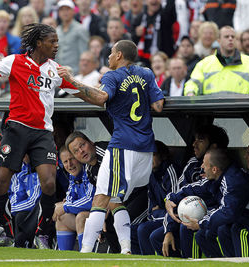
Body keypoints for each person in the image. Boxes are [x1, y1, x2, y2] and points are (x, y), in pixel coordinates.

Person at [0, 23, 80, 250]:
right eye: (52, 41)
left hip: (43, 132)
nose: (56, 45)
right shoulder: (14, 61)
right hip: (16, 129)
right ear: (39, 43)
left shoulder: (55, 69)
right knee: (0, 181)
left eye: (57, 41)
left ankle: (43, 232)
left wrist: (103, 94)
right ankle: (3, 227)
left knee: (49, 182)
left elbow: (80, 91)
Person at [58, 39, 164, 254]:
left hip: (123, 145)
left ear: (118, 56)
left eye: (111, 53)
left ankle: (85, 251)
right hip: (145, 147)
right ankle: (126, 250)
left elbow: (100, 98)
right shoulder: (146, 74)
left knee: (101, 197)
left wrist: (70, 81)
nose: (107, 57)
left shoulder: (112, 76)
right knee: (115, 200)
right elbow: (158, 106)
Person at [149, 124, 229, 258]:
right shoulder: (192, 164)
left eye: (200, 140)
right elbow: (179, 195)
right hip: (186, 215)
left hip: (212, 217)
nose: (194, 144)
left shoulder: (224, 169)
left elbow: (224, 205)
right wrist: (168, 230)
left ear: (214, 147)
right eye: (195, 139)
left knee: (186, 228)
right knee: (154, 235)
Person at [165, 148, 249, 258]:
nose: (201, 167)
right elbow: (193, 188)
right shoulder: (217, 178)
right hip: (244, 216)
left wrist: (201, 223)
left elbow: (228, 212)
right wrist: (170, 199)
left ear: (214, 169)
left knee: (230, 230)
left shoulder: (233, 181)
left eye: (204, 164)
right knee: (203, 234)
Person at [184, 26, 249, 96]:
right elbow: (192, 84)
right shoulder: (205, 63)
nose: (230, 39)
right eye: (226, 37)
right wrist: (190, 93)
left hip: (240, 113)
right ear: (219, 40)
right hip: (212, 113)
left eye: (233, 37)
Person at [133, 140, 181, 255]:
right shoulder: (150, 174)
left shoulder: (171, 171)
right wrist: (159, 212)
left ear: (162, 156)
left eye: (153, 155)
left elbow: (175, 208)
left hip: (175, 221)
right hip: (162, 218)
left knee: (147, 231)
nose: (149, 159)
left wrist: (159, 212)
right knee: (132, 230)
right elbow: (151, 211)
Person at [54, 146, 95, 251]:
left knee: (81, 217)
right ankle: (65, 260)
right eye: (65, 162)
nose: (69, 164)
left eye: (71, 159)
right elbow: (69, 199)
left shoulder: (88, 170)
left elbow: (91, 201)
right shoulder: (72, 176)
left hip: (104, 216)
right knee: (61, 217)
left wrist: (66, 206)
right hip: (90, 217)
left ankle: (84, 260)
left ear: (78, 157)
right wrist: (65, 206)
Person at [56, 0, 89, 74]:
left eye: (67, 9)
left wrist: (82, 73)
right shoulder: (57, 30)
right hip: (59, 73)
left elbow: (84, 52)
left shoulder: (80, 29)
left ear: (73, 11)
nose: (65, 12)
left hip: (75, 73)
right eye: (62, 10)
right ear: (59, 13)